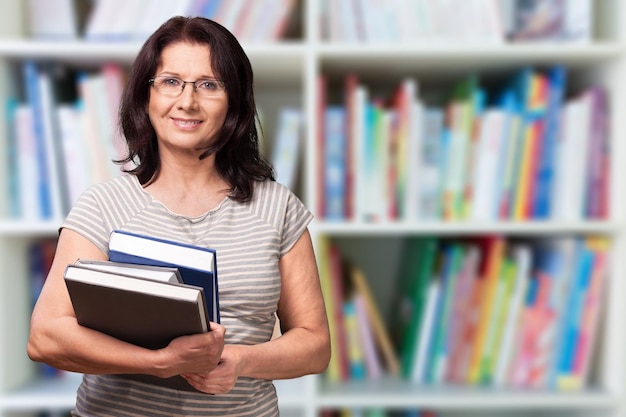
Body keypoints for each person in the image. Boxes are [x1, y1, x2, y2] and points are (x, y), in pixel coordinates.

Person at [27, 16, 331, 416]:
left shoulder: (278, 207)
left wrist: (239, 362)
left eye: (209, 85)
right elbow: (45, 337)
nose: (187, 102)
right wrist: (159, 363)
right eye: (170, 82)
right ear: (146, 96)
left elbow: (315, 345)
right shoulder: (102, 205)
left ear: (234, 102)